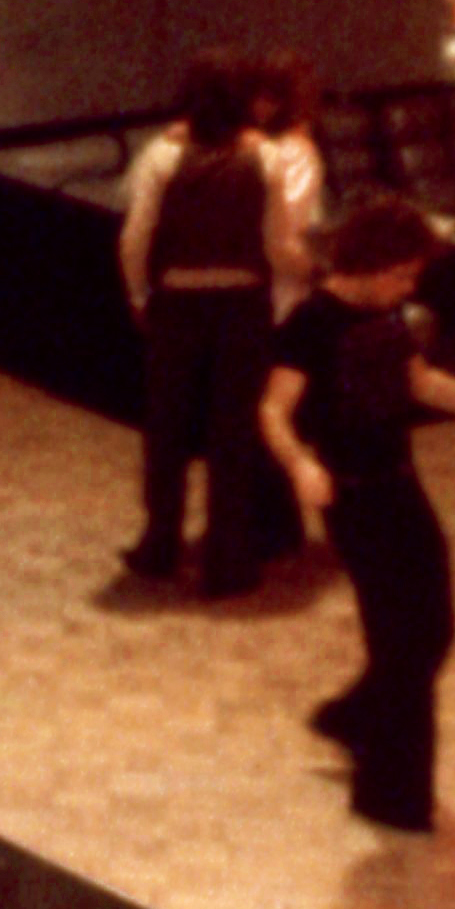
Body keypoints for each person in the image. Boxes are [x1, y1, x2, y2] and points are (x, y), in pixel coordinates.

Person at [262, 196, 455, 833]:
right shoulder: (311, 322)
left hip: (401, 486)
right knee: (403, 646)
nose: (411, 285)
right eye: (403, 273)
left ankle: (349, 717)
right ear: (370, 262)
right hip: (351, 496)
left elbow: (422, 385)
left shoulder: (389, 312)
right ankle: (390, 795)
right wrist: (299, 466)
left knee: (433, 631)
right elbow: (272, 410)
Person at [116, 50, 323, 596]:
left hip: (178, 303)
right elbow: (277, 245)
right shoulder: (265, 159)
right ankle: (229, 561)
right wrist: (318, 270)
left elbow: (136, 237)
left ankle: (159, 545)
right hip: (243, 306)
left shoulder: (163, 154)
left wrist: (139, 293)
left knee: (165, 433)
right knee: (232, 433)